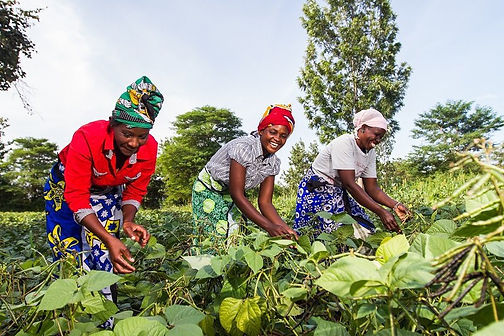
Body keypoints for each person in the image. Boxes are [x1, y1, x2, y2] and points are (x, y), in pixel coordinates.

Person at [43, 76, 163, 326]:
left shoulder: (149, 148)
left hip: (108, 190)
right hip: (67, 187)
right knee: (69, 250)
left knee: (106, 255)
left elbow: (135, 190)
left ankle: (105, 318)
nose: (133, 143)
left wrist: (127, 222)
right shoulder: (88, 136)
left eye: (142, 136)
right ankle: (73, 318)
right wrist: (108, 238)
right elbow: (76, 195)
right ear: (113, 124)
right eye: (127, 134)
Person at [192, 104, 298, 251]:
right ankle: (203, 269)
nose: (277, 139)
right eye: (273, 132)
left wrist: (285, 229)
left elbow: (265, 202)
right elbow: (237, 194)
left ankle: (229, 270)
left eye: (283, 136)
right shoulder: (243, 147)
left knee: (237, 234)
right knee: (214, 234)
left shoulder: (273, 162)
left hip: (232, 194)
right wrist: (269, 226)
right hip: (209, 189)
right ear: (261, 130)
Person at [294, 108, 411, 239]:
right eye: (376, 134)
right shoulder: (344, 143)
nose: (378, 140)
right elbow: (349, 184)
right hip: (316, 190)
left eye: (381, 137)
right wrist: (381, 212)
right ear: (363, 128)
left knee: (366, 228)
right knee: (327, 234)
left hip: (337, 191)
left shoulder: (370, 152)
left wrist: (395, 205)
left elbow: (372, 188)